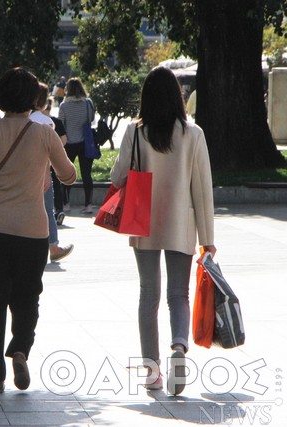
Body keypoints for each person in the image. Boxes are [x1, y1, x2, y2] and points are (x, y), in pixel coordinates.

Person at [0, 67, 76, 394]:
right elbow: (69, 175)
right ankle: (20, 349)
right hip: (32, 230)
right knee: (27, 297)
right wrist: (50, 168)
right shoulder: (44, 133)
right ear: (34, 98)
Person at [109, 66, 216, 395]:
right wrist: (208, 240)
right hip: (181, 223)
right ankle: (179, 348)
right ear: (177, 96)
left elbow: (116, 177)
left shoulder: (134, 131)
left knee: (148, 296)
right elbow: (203, 189)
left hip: (144, 220)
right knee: (178, 295)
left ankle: (152, 370)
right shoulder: (193, 133)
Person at [29, 82, 73, 263]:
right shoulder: (47, 122)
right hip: (41, 173)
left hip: (22, 174)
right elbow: (48, 152)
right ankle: (53, 247)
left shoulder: (23, 119)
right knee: (47, 210)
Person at [58, 77, 96, 214]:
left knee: (66, 174)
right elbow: (91, 119)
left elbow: (60, 123)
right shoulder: (88, 103)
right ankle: (89, 205)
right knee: (87, 174)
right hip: (85, 142)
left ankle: (66, 203)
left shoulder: (64, 106)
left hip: (69, 143)